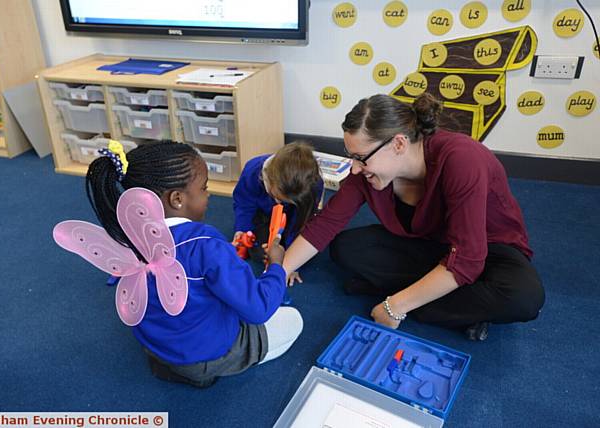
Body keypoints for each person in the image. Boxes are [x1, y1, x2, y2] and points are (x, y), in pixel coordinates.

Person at [282, 93, 544, 340]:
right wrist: (279, 273)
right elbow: (328, 222)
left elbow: (468, 259)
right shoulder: (368, 172)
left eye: (360, 158)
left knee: (523, 297)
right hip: (431, 244)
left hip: (488, 249)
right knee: (345, 247)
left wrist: (395, 306)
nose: (354, 168)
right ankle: (455, 304)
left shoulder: (462, 159)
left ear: (398, 143)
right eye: (352, 157)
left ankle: (419, 301)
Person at [86, 141, 303, 387]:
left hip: (157, 346)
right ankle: (204, 370)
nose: (208, 195)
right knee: (294, 320)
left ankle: (169, 365)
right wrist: (276, 265)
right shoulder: (206, 244)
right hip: (204, 354)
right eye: (204, 188)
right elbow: (258, 308)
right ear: (177, 199)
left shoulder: (123, 234)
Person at [232, 141, 324, 283]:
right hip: (263, 214)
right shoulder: (253, 170)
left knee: (307, 250)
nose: (279, 202)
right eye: (276, 196)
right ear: (269, 179)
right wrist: (242, 231)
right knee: (259, 253)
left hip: (294, 215)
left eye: (284, 200)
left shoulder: (313, 186)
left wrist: (292, 261)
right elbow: (244, 204)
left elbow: (303, 221)